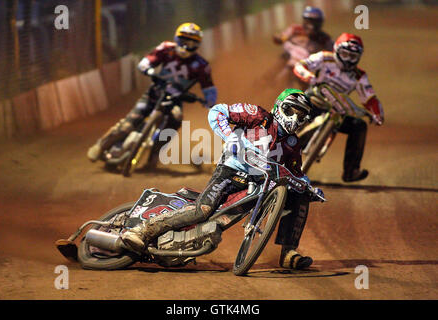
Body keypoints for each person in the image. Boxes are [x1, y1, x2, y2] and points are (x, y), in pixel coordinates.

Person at [122, 88, 324, 270]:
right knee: (204, 211)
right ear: (280, 107)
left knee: (299, 194)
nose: (295, 119)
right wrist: (230, 137)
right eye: (292, 111)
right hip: (231, 171)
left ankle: (288, 253)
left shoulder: (292, 142)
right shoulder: (258, 115)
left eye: (301, 115)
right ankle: (143, 232)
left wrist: (309, 187)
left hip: (258, 187)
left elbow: (296, 172)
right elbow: (218, 111)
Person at [87, 22, 218, 163]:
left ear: (197, 45)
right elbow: (146, 61)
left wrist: (209, 101)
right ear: (177, 38)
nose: (187, 45)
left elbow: (208, 87)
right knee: (128, 124)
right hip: (154, 93)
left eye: (192, 42)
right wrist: (147, 68)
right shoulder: (166, 49)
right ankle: (101, 145)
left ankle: (155, 155)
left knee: (176, 119)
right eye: (184, 40)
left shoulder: (201, 65)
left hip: (175, 99)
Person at [293, 32, 384, 182]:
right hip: (313, 100)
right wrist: (309, 76)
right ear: (336, 50)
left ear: (358, 58)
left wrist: (377, 114)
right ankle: (269, 145)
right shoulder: (324, 57)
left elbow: (369, 97)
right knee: (289, 112)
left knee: (359, 126)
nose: (348, 60)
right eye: (345, 54)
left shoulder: (359, 75)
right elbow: (300, 65)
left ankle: (351, 171)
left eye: (353, 57)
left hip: (337, 110)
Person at [272, 6, 334, 88]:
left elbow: (333, 54)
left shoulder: (324, 38)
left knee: (308, 89)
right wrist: (279, 38)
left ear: (319, 24)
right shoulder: (295, 29)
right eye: (308, 21)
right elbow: (282, 37)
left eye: (314, 23)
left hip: (305, 65)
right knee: (273, 71)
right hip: (288, 58)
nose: (310, 26)